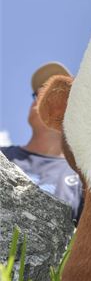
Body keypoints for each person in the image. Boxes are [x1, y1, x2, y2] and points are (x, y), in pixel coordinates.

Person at [1, 62, 83, 222]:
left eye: (56, 94)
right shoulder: (2, 157)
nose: (41, 97)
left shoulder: (81, 181)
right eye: (38, 93)